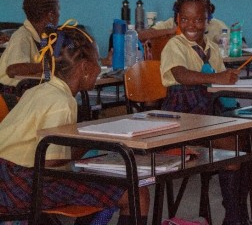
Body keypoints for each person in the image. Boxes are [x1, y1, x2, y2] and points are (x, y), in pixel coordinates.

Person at [0, 24, 150, 225]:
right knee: (135, 192)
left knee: (98, 180)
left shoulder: (38, 91)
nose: (99, 67)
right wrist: (88, 144)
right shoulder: (62, 102)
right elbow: (50, 163)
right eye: (97, 61)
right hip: (23, 185)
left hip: (7, 178)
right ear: (85, 68)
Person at [160, 0, 252, 225]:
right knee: (231, 144)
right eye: (185, 19)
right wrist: (214, 78)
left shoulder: (211, 48)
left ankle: (236, 208)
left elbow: (218, 85)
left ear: (208, 19)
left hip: (211, 111)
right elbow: (180, 74)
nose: (191, 25)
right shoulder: (174, 45)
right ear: (178, 18)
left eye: (198, 20)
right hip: (183, 115)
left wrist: (229, 80)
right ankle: (236, 213)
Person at [0, 0, 60, 93]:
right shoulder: (22, 36)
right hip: (7, 95)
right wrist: (49, 66)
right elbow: (13, 70)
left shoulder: (43, 36)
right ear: (51, 14)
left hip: (25, 92)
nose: (59, 14)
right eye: (58, 9)